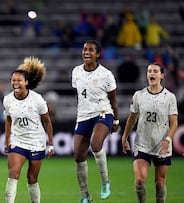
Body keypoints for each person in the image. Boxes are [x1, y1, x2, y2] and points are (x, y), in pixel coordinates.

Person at [121, 63, 178, 203]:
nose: (151, 73)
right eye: (149, 71)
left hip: (162, 144)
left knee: (159, 183)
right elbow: (132, 118)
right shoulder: (139, 95)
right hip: (142, 143)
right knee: (140, 180)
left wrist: (168, 140)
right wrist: (124, 137)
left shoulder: (170, 97)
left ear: (162, 75)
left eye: (155, 71)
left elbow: (174, 123)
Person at [71, 40, 119, 203]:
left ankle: (105, 182)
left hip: (103, 112)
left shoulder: (106, 74)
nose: (86, 52)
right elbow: (79, 95)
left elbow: (113, 100)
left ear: (98, 54)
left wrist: (116, 120)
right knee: (78, 155)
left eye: (91, 50)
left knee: (96, 144)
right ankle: (85, 195)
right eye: (84, 49)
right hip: (83, 116)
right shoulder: (76, 71)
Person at [3, 57, 55, 203]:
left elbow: (47, 122)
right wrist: (7, 140)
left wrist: (50, 144)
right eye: (13, 80)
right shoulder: (7, 100)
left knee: (32, 179)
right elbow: (8, 119)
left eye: (19, 80)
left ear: (26, 82)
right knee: (13, 174)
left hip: (36, 142)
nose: (15, 83)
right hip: (17, 141)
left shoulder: (37, 100)